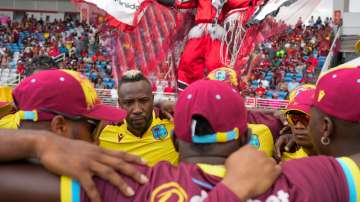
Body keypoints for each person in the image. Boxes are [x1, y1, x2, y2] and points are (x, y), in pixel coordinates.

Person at [1, 79, 358, 202]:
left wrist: (38, 144)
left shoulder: (127, 182)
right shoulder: (320, 179)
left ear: (174, 137)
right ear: (248, 137)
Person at [0, 69, 150, 201]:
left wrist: (38, 144)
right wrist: (41, 143)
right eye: (93, 129)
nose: (97, 142)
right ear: (59, 127)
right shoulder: (85, 187)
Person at [99, 70, 179, 166]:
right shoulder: (103, 131)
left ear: (152, 100)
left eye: (143, 101)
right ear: (119, 104)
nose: (137, 110)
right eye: (129, 103)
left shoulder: (173, 121)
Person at [274, 86, 317, 161]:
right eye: (293, 118)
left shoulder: (339, 158)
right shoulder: (283, 153)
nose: (298, 126)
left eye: (306, 118)